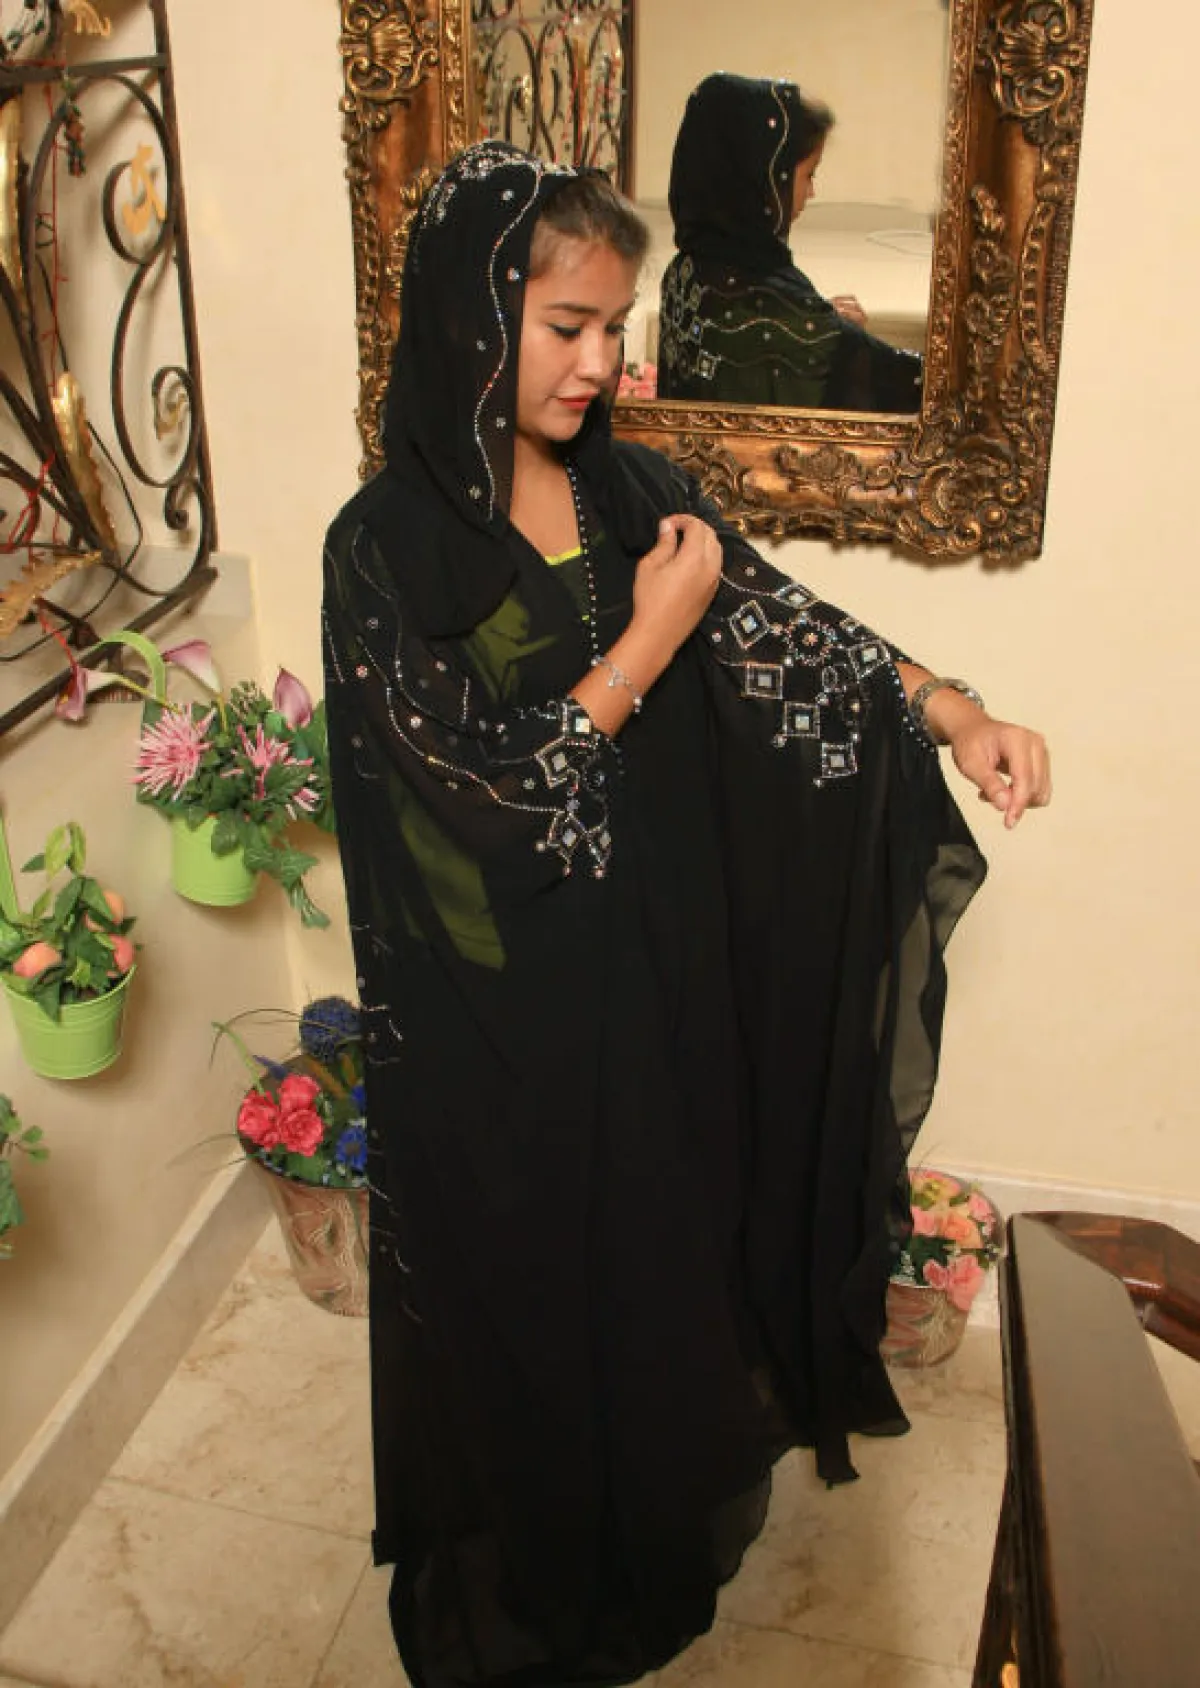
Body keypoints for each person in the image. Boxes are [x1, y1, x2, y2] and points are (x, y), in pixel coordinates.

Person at [322, 140, 1050, 1688]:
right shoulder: (381, 547)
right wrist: (646, 641)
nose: (601, 362)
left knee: (650, 1268)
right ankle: (533, 1582)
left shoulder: (624, 482)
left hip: (649, 967)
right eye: (565, 325)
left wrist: (951, 710)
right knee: (534, 1293)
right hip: (498, 1018)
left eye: (615, 324)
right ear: (469, 316)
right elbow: (477, 796)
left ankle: (639, 1543)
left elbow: (782, 619)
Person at [657, 72, 924, 412]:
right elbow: (912, 388)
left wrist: (813, 322)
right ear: (762, 176)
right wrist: (834, 337)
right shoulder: (785, 316)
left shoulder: (682, 273)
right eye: (808, 175)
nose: (812, 192)